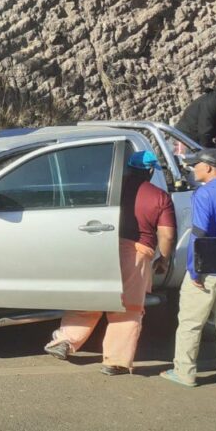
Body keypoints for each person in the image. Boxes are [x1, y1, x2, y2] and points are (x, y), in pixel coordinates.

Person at [44, 151, 176, 375]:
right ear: (150, 171)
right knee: (129, 308)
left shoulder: (110, 189)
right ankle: (115, 361)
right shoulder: (160, 197)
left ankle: (64, 341)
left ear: (129, 169)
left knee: (90, 297)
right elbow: (168, 236)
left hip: (103, 246)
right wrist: (163, 258)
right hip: (138, 252)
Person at [161, 148, 216, 396]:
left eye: (195, 165)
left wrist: (194, 271)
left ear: (208, 168)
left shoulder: (204, 194)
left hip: (208, 267)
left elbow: (199, 234)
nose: (192, 169)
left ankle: (185, 373)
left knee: (190, 323)